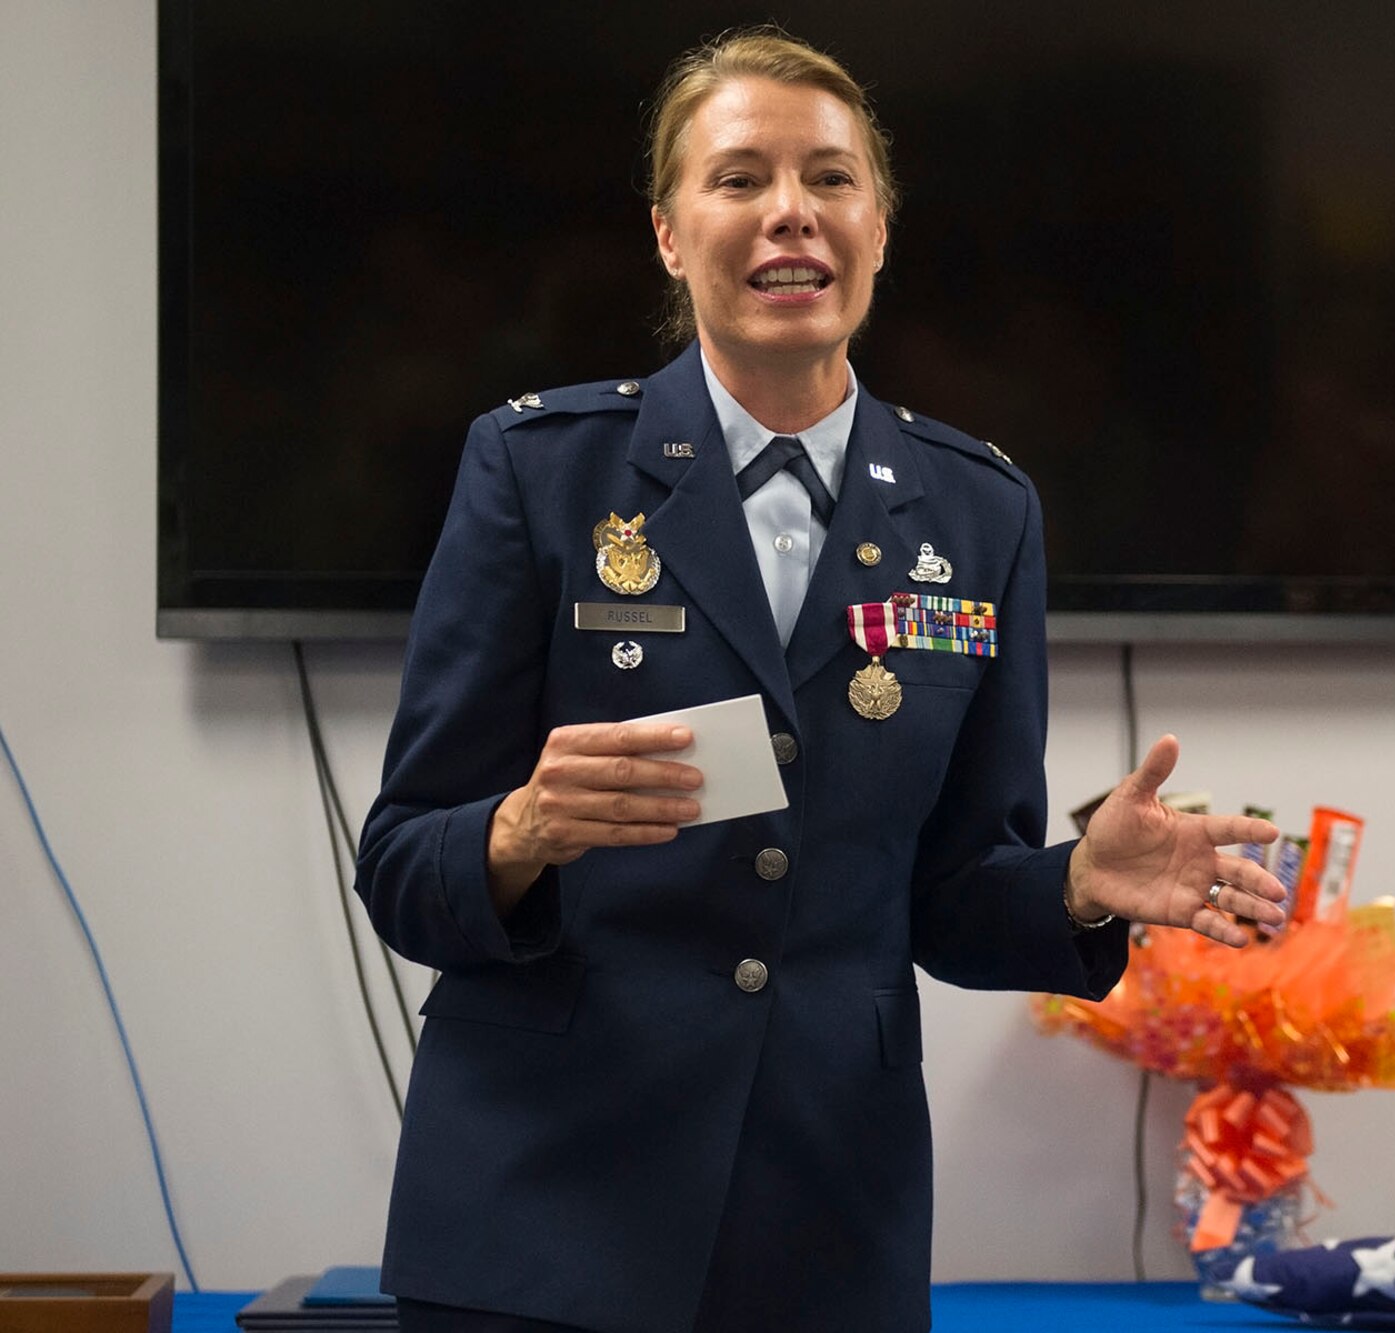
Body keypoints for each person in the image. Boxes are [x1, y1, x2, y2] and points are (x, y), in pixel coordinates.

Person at [354, 28, 1286, 1333]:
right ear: (670, 234)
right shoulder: (539, 471)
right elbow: (402, 862)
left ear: (879, 229)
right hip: (544, 1217)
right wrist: (522, 830)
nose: (791, 209)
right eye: (739, 177)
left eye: (830, 177)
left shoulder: (982, 510)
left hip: (825, 1226)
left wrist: (1076, 882)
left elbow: (953, 898)